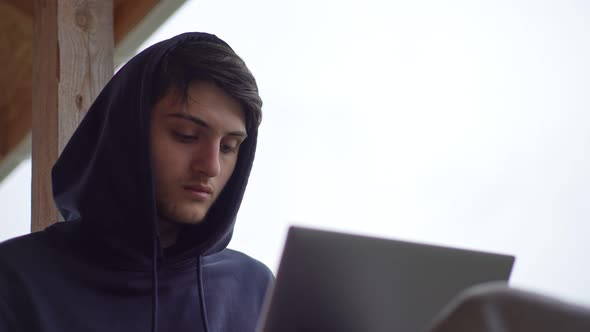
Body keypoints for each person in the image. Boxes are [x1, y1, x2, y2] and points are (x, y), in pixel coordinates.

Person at [0, 32, 273, 332]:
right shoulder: (15, 282)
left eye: (228, 147)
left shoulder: (256, 290)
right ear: (127, 133)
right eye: (186, 135)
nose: (211, 166)